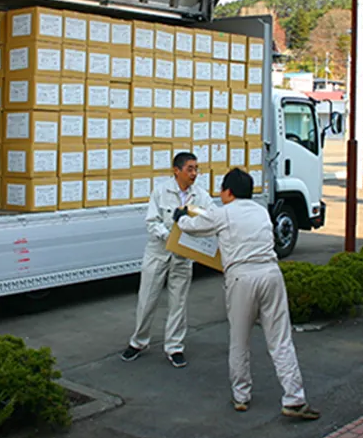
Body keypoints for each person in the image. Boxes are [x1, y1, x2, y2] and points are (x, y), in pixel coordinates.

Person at [175, 168, 320, 420]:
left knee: (240, 340)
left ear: (228, 192)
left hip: (242, 278)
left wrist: (180, 217)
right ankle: (295, 398)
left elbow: (193, 227)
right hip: (271, 274)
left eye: (222, 190)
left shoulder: (223, 213)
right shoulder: (261, 211)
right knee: (280, 340)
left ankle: (241, 396)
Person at [122, 152, 214, 368]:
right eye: (189, 169)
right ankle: (138, 341)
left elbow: (213, 217)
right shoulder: (161, 191)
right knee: (147, 299)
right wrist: (169, 237)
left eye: (196, 169)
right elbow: (152, 222)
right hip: (158, 251)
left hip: (183, 255)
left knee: (178, 302)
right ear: (176, 170)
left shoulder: (200, 195)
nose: (194, 173)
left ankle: (174, 347)